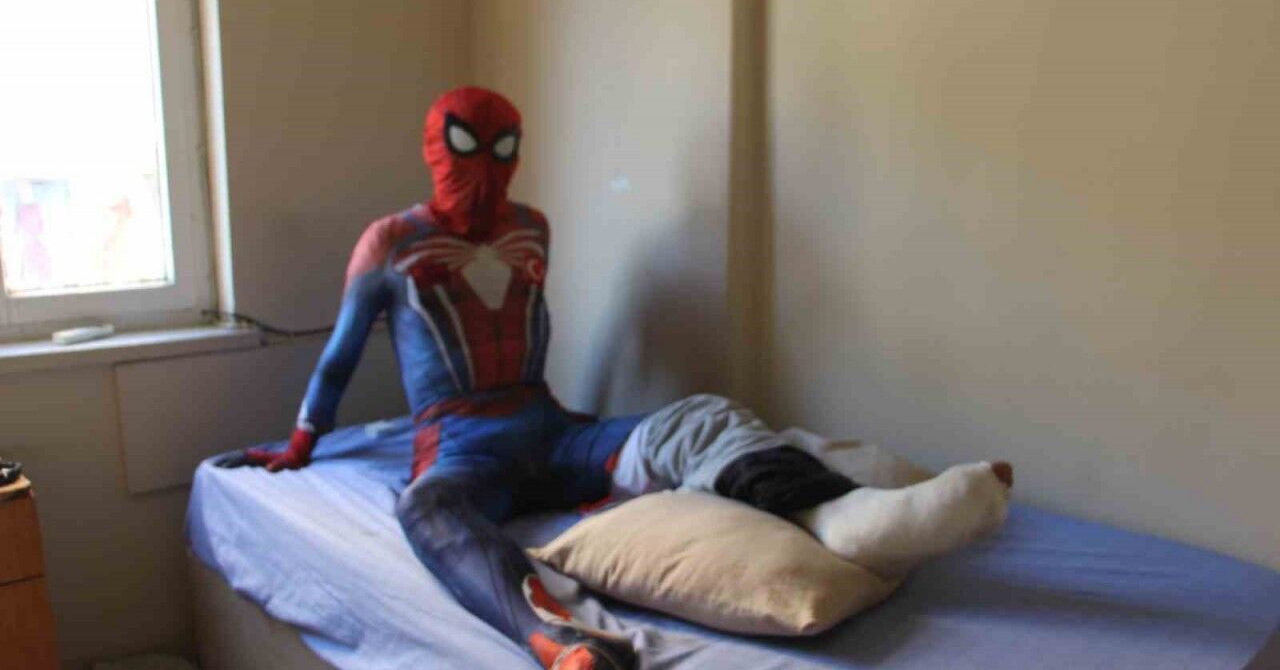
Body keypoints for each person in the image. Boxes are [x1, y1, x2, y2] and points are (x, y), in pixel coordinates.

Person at [217, 87, 1013, 670]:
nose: (488, 168)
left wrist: (598, 439)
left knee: (698, 416)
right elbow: (341, 354)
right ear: (436, 146)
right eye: (469, 146)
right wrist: (301, 443)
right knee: (426, 509)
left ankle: (845, 514)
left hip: (553, 430)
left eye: (504, 148)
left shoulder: (533, 228)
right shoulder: (390, 241)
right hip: (460, 445)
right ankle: (559, 638)